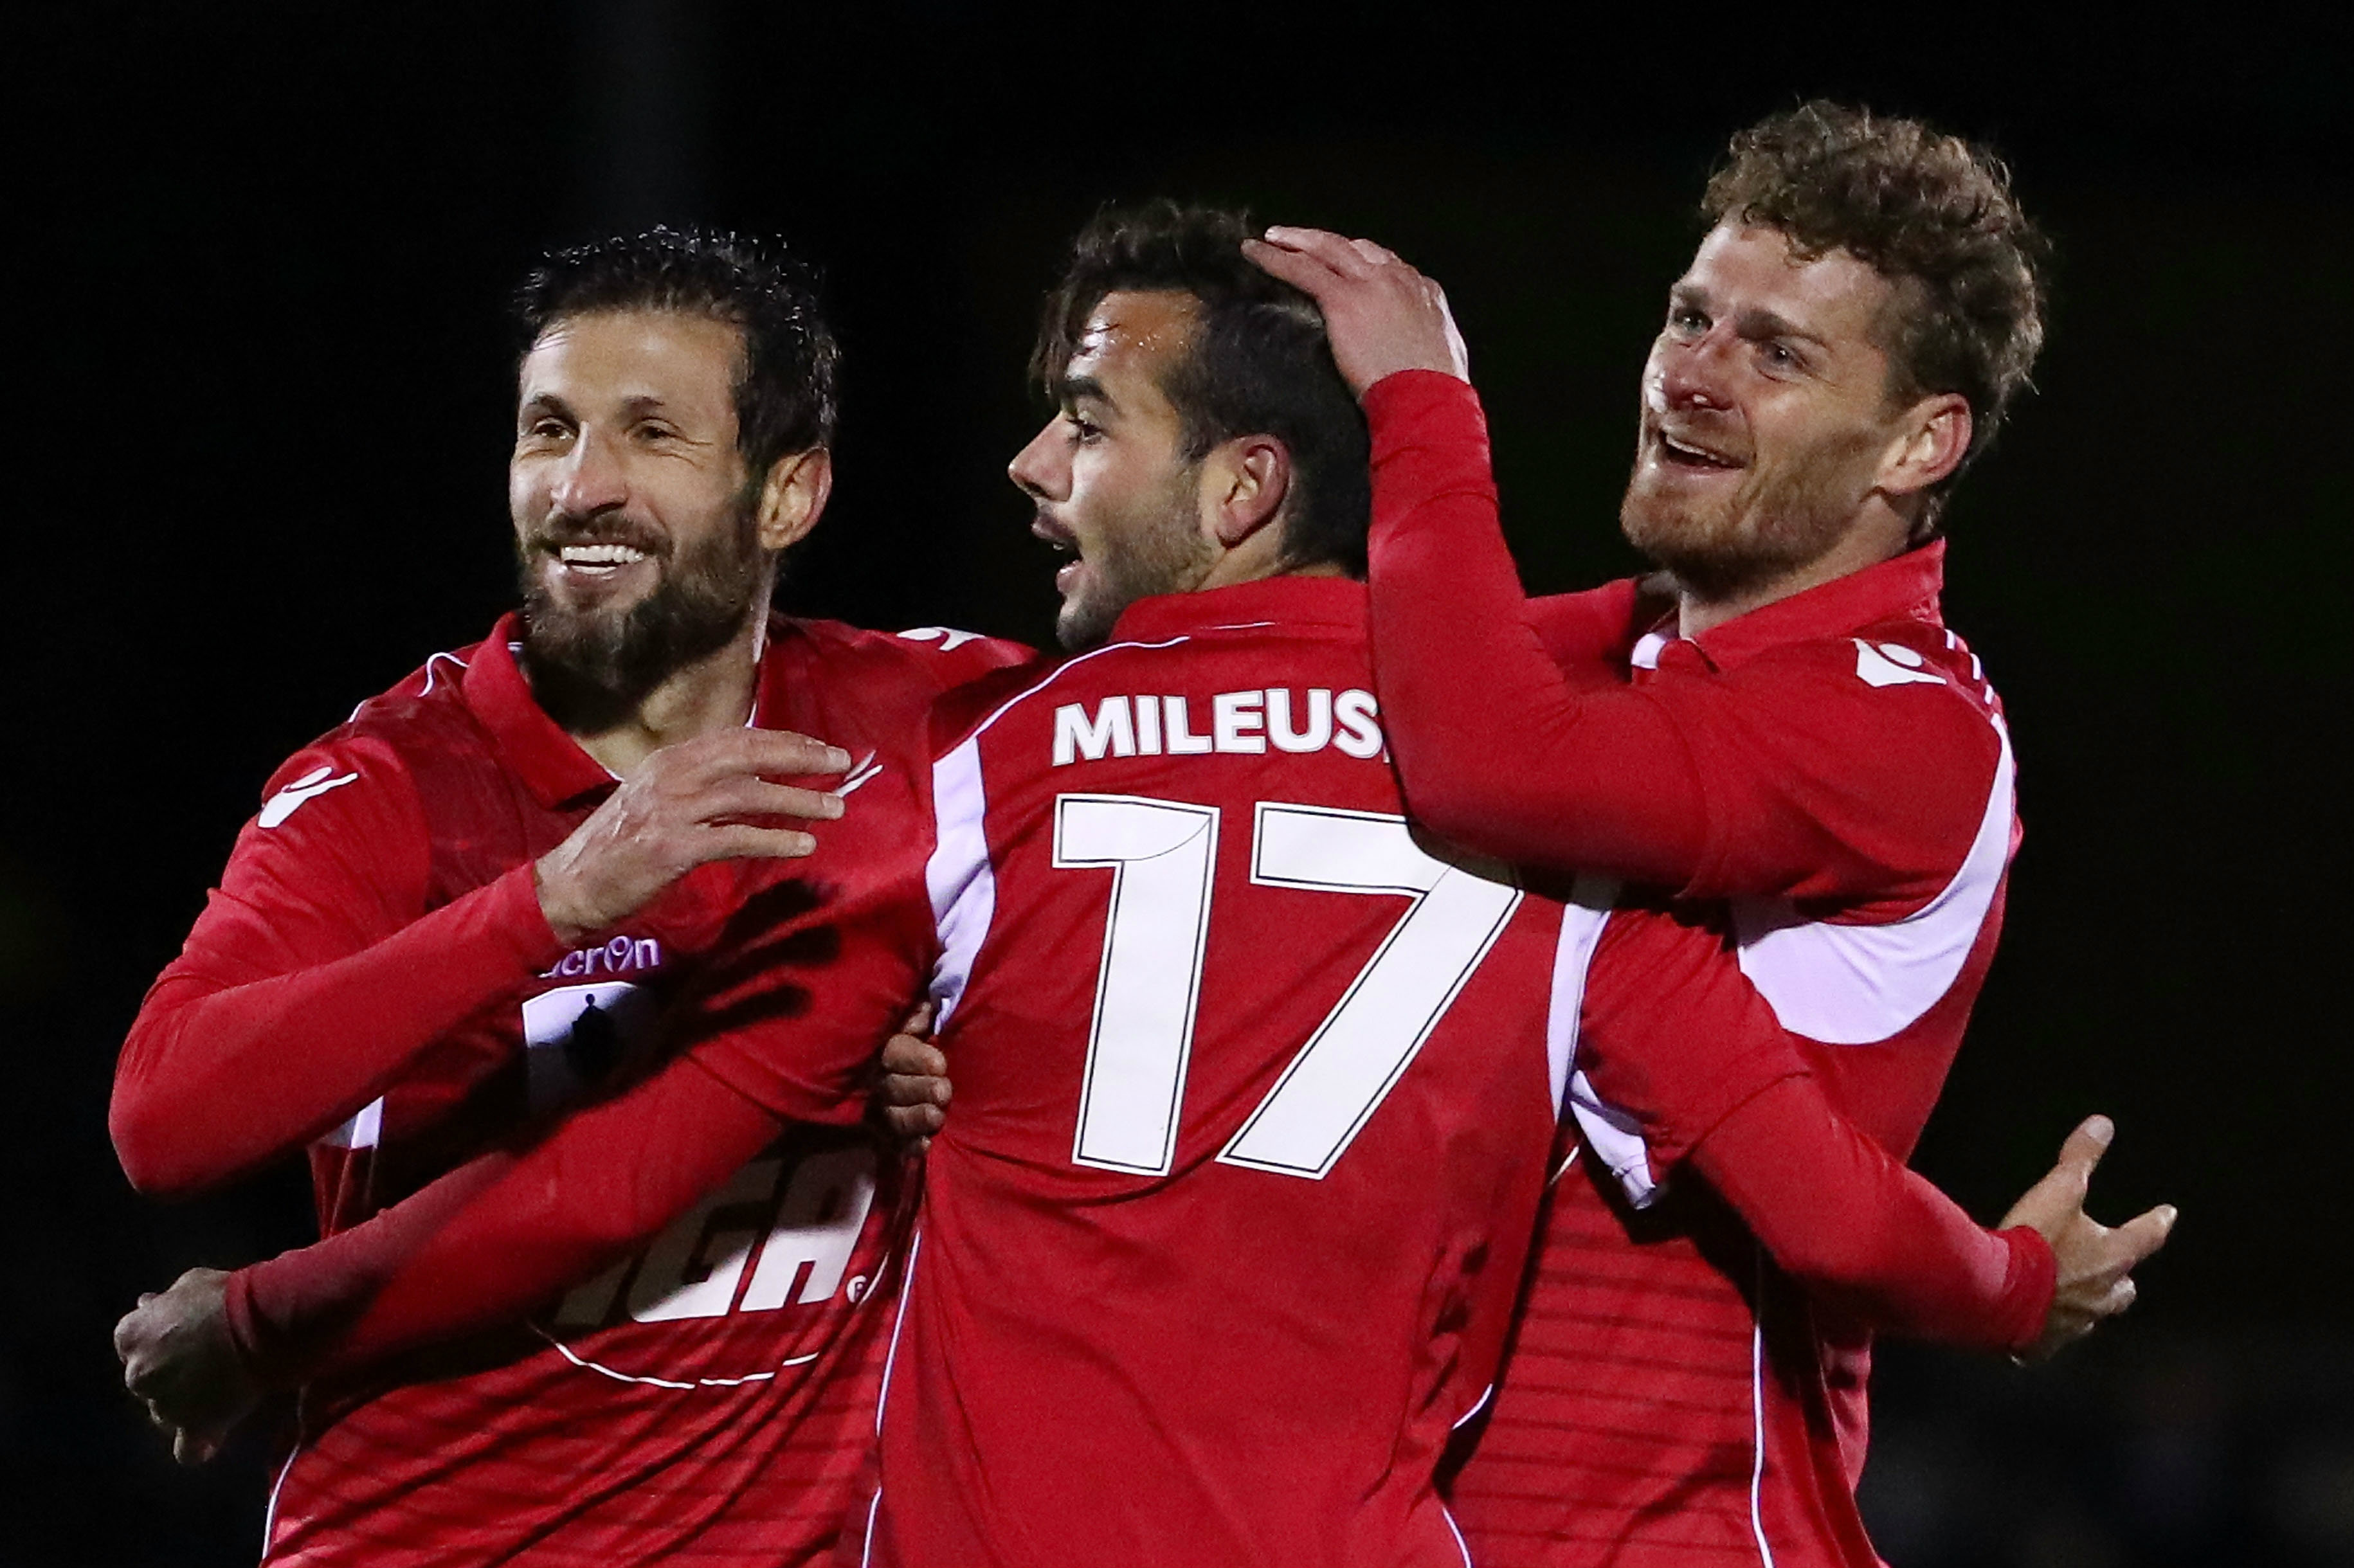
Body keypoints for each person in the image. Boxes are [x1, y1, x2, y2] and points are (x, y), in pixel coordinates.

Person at [123, 204, 2150, 1567]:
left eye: (1085, 421)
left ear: (1238, 488)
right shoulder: (1567, 846)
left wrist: (272, 1315)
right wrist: (2010, 1285)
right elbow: (1812, 1197)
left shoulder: (987, 771)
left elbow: (655, 1151)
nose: (1028, 468)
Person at [1246, 102, 2175, 1565]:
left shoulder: (1901, 725)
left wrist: (1424, 405)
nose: (1694, 374)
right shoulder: (1631, 652)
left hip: (1673, 1521)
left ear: (1917, 443)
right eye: (1690, 316)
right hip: (1419, 1506)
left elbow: (1482, 762)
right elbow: (1299, 708)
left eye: (1777, 351)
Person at [107, 228, 1025, 1565]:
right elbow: (163, 1117)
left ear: (789, 494)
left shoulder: (934, 717)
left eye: (652, 435)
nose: (582, 488)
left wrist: (983, 1054)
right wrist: (551, 901)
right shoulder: (389, 781)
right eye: (550, 431)